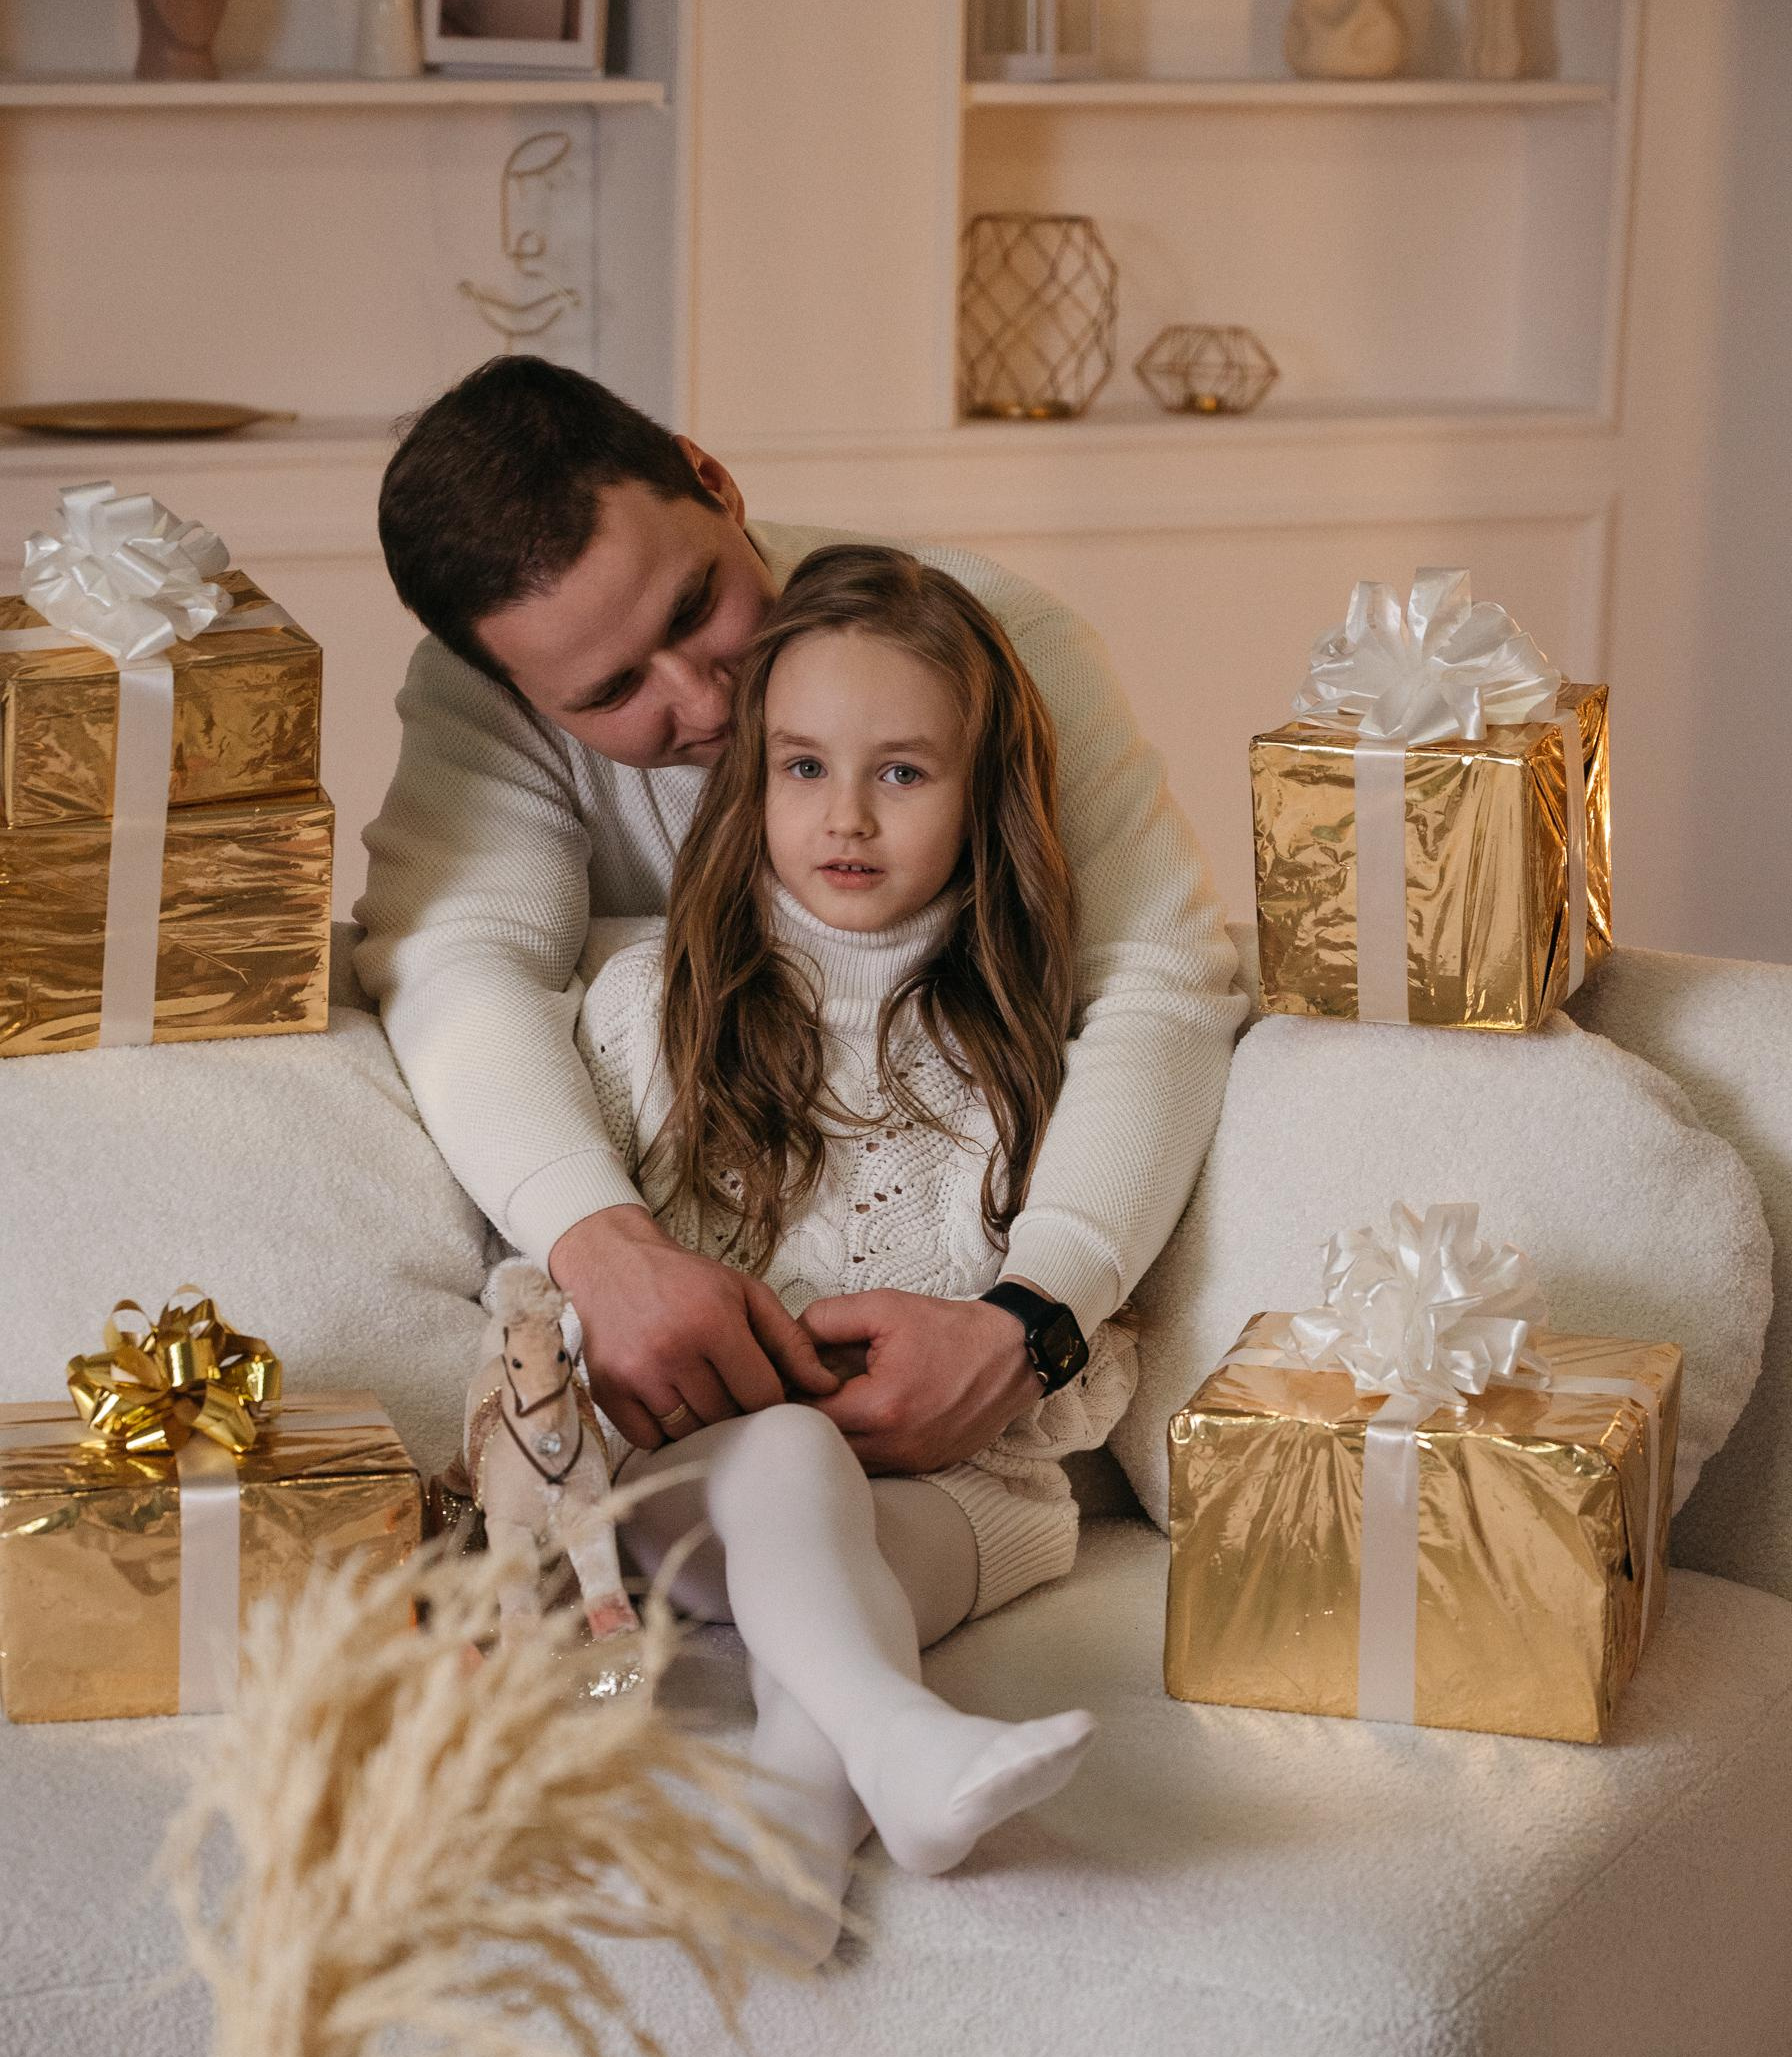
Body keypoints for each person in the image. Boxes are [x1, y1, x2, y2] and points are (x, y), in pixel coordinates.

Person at [355, 357, 1242, 1477]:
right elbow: (460, 968)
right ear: (520, 691)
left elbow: (1155, 980)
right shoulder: (473, 697)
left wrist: (1034, 1315)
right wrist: (602, 1245)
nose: (705, 698)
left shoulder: (982, 637)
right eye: (613, 694)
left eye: (696, 608)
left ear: (715, 484)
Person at [567, 544, 1140, 1946]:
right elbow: (550, 1279)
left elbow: (1093, 1350)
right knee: (793, 1458)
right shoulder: (652, 1001)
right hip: (689, 1489)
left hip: (958, 1503)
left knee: (850, 1573)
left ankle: (788, 1856)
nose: (848, 817)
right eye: (804, 767)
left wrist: (1003, 1366)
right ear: (750, 779)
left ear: (978, 792)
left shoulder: (1027, 1039)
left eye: (902, 772)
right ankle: (901, 1738)